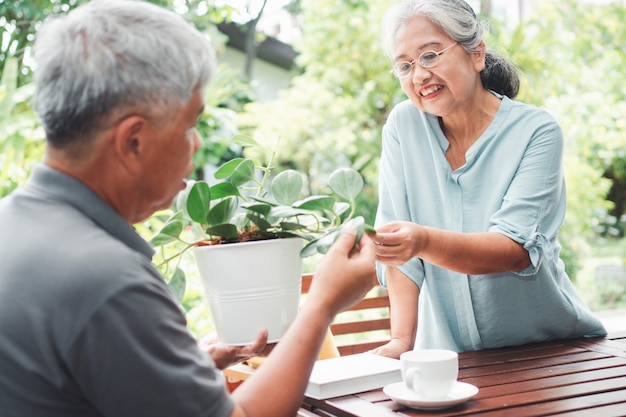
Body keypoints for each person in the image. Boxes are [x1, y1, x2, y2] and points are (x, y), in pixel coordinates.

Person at [0, 1, 377, 416]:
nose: (196, 144)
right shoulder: (109, 282)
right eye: (190, 124)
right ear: (134, 142)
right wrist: (322, 303)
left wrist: (175, 368)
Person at [370, 0, 606, 357]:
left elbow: (513, 250)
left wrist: (420, 239)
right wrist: (402, 341)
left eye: (430, 56)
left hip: (548, 351)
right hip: (453, 359)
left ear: (476, 54)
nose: (418, 75)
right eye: (405, 65)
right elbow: (398, 250)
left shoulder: (536, 131)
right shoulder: (404, 127)